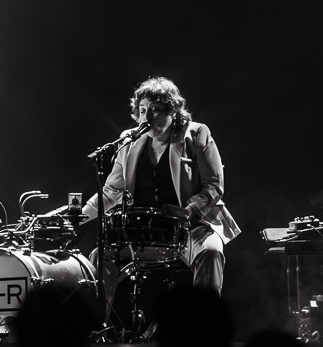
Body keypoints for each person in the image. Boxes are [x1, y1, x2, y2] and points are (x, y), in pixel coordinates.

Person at [76, 77, 239, 294]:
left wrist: (189, 211)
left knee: (211, 252)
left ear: (172, 111)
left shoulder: (197, 133)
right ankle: (100, 326)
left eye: (155, 109)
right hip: (142, 231)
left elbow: (213, 186)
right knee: (99, 257)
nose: (147, 117)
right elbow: (111, 193)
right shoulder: (129, 141)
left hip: (190, 228)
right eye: (142, 110)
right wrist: (75, 216)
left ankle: (204, 322)